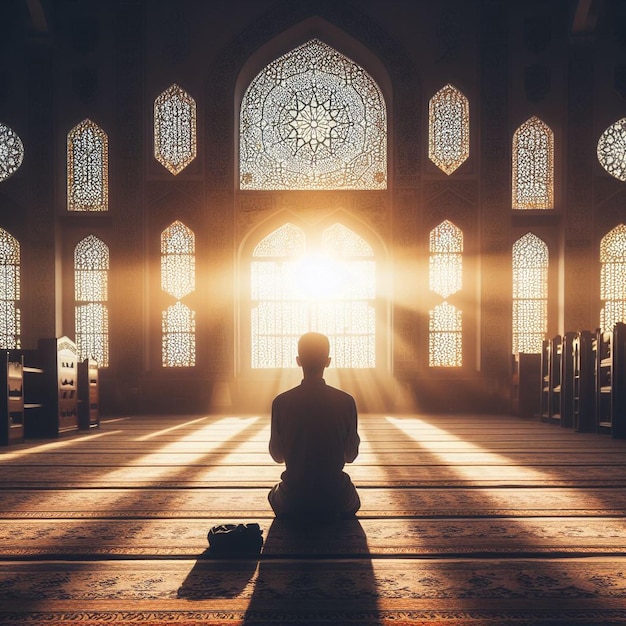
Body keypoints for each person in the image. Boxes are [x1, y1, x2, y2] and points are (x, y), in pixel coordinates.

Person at [268, 332, 361, 521]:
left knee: (273, 494)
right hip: (336, 498)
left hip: (292, 500)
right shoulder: (346, 401)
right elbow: (350, 456)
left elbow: (277, 456)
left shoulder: (281, 402)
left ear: (298, 360)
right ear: (328, 361)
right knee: (352, 497)